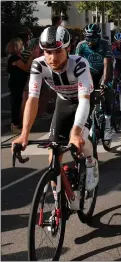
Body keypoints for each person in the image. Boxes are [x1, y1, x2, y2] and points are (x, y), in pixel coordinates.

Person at [11, 26, 99, 191]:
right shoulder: (38, 65)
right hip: (64, 101)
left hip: (83, 101)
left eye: (58, 51)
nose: (52, 58)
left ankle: (91, 162)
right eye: (47, 52)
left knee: (81, 140)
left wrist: (75, 133)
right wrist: (24, 134)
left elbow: (84, 100)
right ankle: (58, 202)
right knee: (53, 153)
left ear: (68, 49)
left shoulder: (80, 64)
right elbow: (32, 99)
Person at [75, 23, 114, 140]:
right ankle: (88, 121)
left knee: (107, 91)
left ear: (98, 36)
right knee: (85, 97)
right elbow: (76, 64)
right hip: (89, 73)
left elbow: (107, 64)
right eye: (87, 38)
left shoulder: (105, 44)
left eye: (92, 38)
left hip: (103, 71)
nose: (89, 41)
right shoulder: (81, 46)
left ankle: (107, 123)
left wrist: (104, 82)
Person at [6, 38, 37, 133]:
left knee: (19, 102)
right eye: (21, 45)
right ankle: (15, 124)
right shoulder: (14, 58)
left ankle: (18, 123)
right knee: (16, 103)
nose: (23, 46)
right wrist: (31, 57)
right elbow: (25, 67)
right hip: (16, 83)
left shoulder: (18, 57)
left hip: (19, 82)